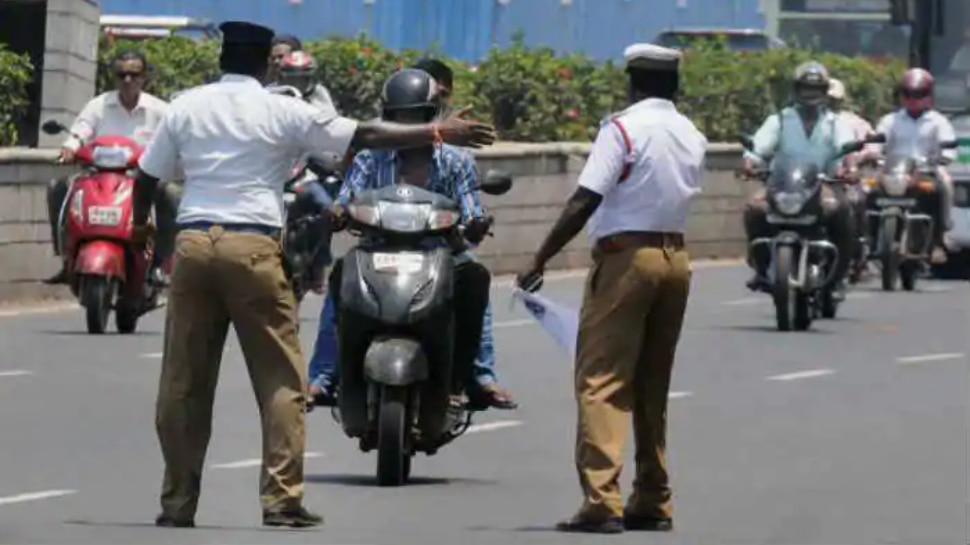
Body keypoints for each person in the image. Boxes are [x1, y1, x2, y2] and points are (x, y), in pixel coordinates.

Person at [131, 20, 496, 529]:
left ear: (221, 62)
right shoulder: (281, 108)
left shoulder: (185, 106)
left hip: (194, 246)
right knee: (280, 379)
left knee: (183, 383)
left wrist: (138, 229)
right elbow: (365, 134)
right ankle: (281, 501)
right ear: (266, 65)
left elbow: (147, 176)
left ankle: (176, 504)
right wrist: (440, 130)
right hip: (254, 246)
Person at [516, 43, 706, 534]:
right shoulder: (690, 133)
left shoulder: (622, 128)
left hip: (627, 259)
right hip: (676, 259)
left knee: (601, 380)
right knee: (651, 382)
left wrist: (540, 257)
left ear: (633, 82)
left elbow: (585, 199)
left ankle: (602, 500)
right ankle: (654, 497)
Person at [307, 60, 517, 410]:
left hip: (441, 253)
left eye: (417, 116)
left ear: (433, 114)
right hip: (377, 252)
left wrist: (476, 223)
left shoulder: (456, 161)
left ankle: (477, 376)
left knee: (475, 277)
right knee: (341, 281)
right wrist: (338, 213)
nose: (408, 126)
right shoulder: (370, 158)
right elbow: (346, 199)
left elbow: (471, 211)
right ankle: (324, 377)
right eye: (400, 117)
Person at [44, 50, 179, 285]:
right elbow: (81, 130)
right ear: (114, 78)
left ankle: (159, 264)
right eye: (121, 74)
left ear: (144, 77)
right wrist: (69, 147)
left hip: (143, 179)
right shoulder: (99, 105)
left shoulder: (160, 111)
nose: (128, 80)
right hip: (98, 176)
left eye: (134, 74)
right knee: (57, 187)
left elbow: (175, 140)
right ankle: (66, 258)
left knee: (171, 194)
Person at [742, 61, 855, 298]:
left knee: (843, 209)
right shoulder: (780, 120)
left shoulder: (835, 123)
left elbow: (845, 148)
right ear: (796, 89)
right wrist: (751, 162)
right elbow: (760, 147)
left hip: (822, 184)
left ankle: (838, 274)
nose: (810, 94)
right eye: (805, 88)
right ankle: (760, 266)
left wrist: (847, 168)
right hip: (782, 184)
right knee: (753, 208)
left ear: (824, 92)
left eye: (815, 89)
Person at [869, 68, 957, 263]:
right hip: (893, 172)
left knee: (945, 186)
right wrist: (872, 153)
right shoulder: (890, 121)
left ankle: (939, 240)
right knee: (865, 191)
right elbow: (876, 143)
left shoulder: (938, 122)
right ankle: (866, 240)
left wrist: (943, 158)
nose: (913, 99)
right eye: (908, 94)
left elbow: (948, 148)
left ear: (928, 96)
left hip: (926, 171)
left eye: (919, 94)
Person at [273, 49, 338, 118]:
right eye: (291, 79)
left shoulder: (319, 92)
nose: (297, 84)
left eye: (302, 79)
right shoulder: (272, 94)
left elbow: (331, 117)